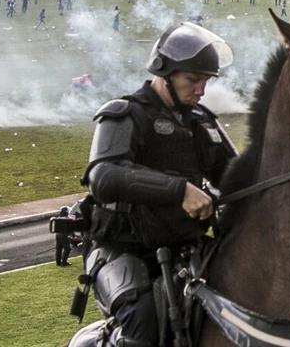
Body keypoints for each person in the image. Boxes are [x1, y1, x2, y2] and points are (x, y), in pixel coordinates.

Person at [81, 21, 238, 346]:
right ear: (164, 73)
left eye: (206, 81)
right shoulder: (126, 114)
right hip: (124, 252)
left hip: (190, 249)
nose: (201, 90)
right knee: (143, 322)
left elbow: (237, 178)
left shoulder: (201, 122)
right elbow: (104, 176)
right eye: (193, 80)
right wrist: (179, 190)